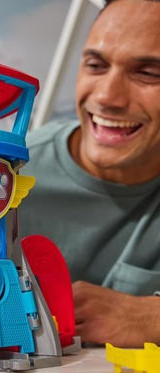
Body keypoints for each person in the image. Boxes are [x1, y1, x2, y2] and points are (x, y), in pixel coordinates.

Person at [20, 0, 160, 348]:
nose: (108, 97)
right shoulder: (1, 176)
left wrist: (150, 316)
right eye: (96, 65)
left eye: (149, 73)